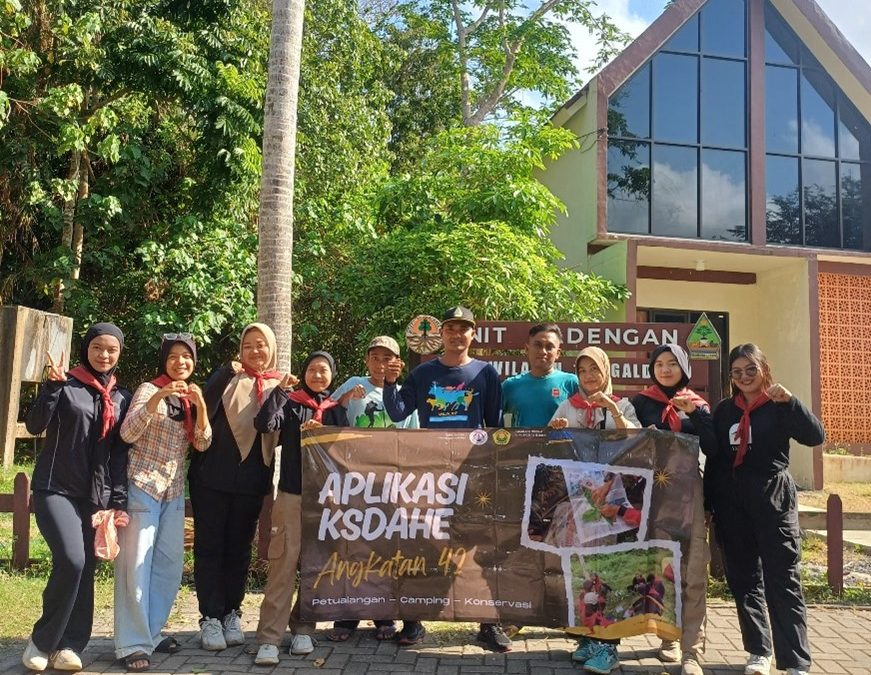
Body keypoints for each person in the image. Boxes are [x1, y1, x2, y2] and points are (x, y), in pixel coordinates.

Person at [383, 306, 509, 652]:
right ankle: (413, 621)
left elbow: (495, 428)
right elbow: (397, 413)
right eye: (451, 328)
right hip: (430, 475)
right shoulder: (423, 373)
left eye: (463, 329)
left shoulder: (486, 373)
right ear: (442, 334)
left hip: (472, 476)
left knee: (479, 549)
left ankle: (489, 623)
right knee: (422, 544)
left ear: (473, 334)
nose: (457, 334)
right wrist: (391, 383)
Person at [702, 344, 823, 675]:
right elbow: (715, 460)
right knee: (744, 579)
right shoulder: (725, 410)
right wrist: (709, 504)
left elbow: (815, 436)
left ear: (763, 369)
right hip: (732, 505)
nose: (744, 377)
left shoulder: (779, 405)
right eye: (737, 372)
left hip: (773, 500)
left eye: (750, 370)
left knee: (783, 579)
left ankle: (795, 660)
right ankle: (759, 651)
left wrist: (793, 402)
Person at [22, 323, 132, 673]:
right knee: (72, 560)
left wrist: (116, 502)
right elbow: (35, 425)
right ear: (86, 348)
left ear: (119, 354)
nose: (104, 354)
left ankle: (70, 645)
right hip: (55, 489)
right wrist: (51, 387)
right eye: (97, 347)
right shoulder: (66, 386)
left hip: (94, 498)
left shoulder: (119, 397)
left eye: (111, 349)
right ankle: (42, 642)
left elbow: (117, 455)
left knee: (86, 569)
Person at [114, 334, 212, 672]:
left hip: (172, 491)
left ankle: (151, 632)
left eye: (187, 357)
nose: (180, 362)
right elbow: (127, 433)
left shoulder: (189, 398)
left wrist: (200, 408)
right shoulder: (147, 389)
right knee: (135, 565)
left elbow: (202, 443)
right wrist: (158, 396)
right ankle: (131, 643)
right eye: (174, 357)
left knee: (168, 566)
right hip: (142, 485)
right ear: (164, 361)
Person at [190, 323, 281, 651]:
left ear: (272, 349)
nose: (255, 351)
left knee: (239, 549)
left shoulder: (279, 385)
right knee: (210, 546)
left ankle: (232, 612)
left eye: (261, 345)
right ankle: (210, 617)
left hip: (252, 480)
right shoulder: (226, 377)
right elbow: (204, 406)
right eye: (248, 346)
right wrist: (224, 373)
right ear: (240, 350)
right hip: (211, 477)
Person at [548, 346, 640, 675]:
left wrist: (613, 410)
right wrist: (555, 430)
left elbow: (636, 442)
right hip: (577, 504)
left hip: (612, 503)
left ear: (606, 371)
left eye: (595, 369)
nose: (589, 376)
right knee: (581, 569)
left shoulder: (623, 404)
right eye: (583, 370)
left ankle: (608, 646)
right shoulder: (568, 406)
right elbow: (549, 447)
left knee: (608, 570)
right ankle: (586, 638)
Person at [253, 351, 348, 665]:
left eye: (324, 370)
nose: (318, 375)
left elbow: (349, 451)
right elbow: (264, 423)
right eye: (312, 369)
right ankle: (269, 637)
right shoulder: (292, 403)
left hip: (324, 501)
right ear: (304, 373)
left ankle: (303, 626)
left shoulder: (335, 411)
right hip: (292, 496)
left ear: (331, 375)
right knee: (282, 564)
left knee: (315, 567)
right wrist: (280, 391)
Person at [327, 336, 418, 642]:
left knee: (386, 548)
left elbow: (414, 436)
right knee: (351, 546)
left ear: (398, 363)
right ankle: (348, 615)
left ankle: (383, 614)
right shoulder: (354, 383)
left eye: (388, 358)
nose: (381, 364)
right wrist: (343, 399)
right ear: (367, 360)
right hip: (353, 480)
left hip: (391, 483)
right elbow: (326, 412)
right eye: (375, 357)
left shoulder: (404, 394)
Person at [630, 344, 711, 675]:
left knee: (693, 570)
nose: (664, 369)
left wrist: (693, 414)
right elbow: (625, 442)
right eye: (659, 364)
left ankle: (693, 650)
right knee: (661, 566)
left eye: (672, 363)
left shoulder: (699, 405)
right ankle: (669, 640)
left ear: (684, 367)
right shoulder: (641, 403)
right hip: (654, 495)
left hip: (690, 493)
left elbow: (714, 445)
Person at [501, 323, 578, 428]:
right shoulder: (510, 386)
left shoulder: (571, 383)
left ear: (558, 353)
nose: (543, 351)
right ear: (527, 349)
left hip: (560, 444)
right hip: (521, 445)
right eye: (537, 345)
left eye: (549, 347)